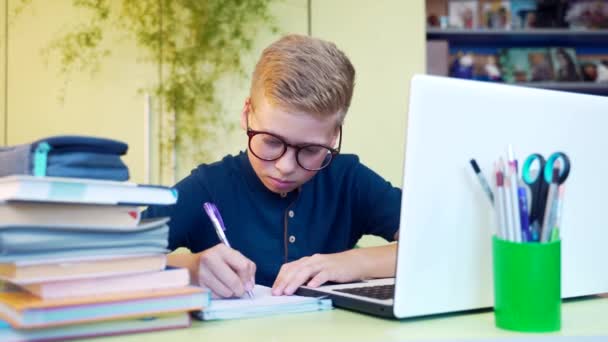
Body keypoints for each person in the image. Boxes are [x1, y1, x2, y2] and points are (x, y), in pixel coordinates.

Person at [143, 34, 402, 299]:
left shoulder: (348, 179)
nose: (285, 166)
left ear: (334, 136)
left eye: (310, 150)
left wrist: (351, 263)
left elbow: (437, 243)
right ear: (247, 115)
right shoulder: (206, 188)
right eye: (271, 142)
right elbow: (106, 262)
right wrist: (191, 269)